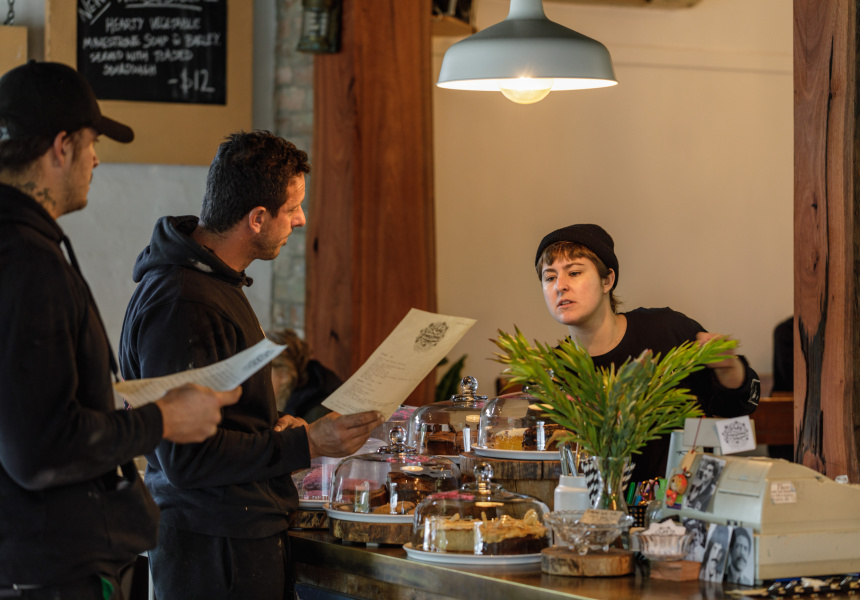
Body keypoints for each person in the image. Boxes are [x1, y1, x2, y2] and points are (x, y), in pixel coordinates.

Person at [0, 60, 239, 599]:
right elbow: (40, 449)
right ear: (60, 147)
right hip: (47, 575)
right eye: (90, 144)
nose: (96, 159)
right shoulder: (28, 264)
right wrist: (164, 419)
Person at [119, 130, 383, 599]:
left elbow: (221, 422)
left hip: (236, 535)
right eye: (293, 208)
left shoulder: (213, 283)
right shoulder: (184, 302)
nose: (302, 219)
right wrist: (306, 443)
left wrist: (268, 427)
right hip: (214, 549)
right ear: (257, 218)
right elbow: (186, 458)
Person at [535, 224, 760, 482]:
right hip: (594, 512)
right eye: (549, 277)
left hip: (680, 507)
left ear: (607, 280)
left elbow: (738, 408)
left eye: (574, 272)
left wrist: (729, 368)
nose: (560, 286)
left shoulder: (666, 331)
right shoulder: (554, 370)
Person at [268, 327, 339, 422]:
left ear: (284, 374)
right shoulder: (292, 401)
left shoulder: (316, 414)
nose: (255, 380)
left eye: (263, 371)